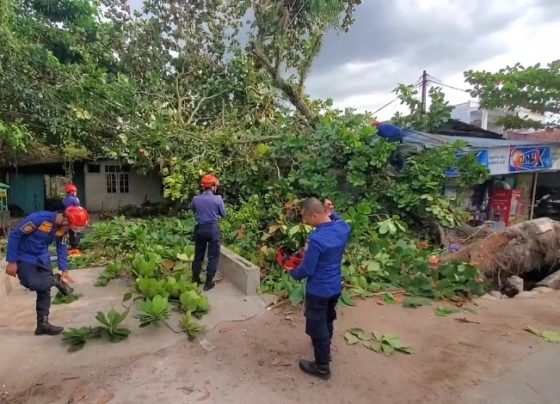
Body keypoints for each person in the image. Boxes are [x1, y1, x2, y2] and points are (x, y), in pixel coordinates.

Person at [284, 198, 351, 380]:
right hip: (335, 286)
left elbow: (307, 269)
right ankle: (325, 352)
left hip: (318, 290)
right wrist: (332, 211)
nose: (306, 222)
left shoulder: (317, 239)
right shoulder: (343, 228)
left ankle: (322, 366)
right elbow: (339, 220)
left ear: (314, 215)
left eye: (306, 218)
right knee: (328, 318)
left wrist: (292, 272)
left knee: (317, 325)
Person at [4, 206, 90, 335]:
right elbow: (15, 235)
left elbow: (61, 246)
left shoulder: (63, 229)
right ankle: (54, 280)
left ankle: (42, 324)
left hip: (43, 257)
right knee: (32, 283)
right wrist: (12, 261)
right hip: (25, 257)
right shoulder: (38, 219)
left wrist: (64, 268)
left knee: (44, 290)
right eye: (70, 227)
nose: (69, 231)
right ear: (65, 219)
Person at [190, 174, 226, 291]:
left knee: (198, 255)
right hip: (212, 229)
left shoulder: (196, 199)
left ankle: (195, 278)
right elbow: (223, 214)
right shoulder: (218, 199)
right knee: (213, 256)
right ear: (213, 187)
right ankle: (208, 283)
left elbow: (193, 209)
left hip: (200, 229)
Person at [62, 184, 82, 256]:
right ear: (72, 192)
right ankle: (75, 247)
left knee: (69, 232)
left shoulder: (64, 200)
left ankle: (68, 247)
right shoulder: (75, 199)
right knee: (77, 232)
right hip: (75, 218)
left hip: (67, 218)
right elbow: (78, 208)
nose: (76, 193)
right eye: (75, 191)